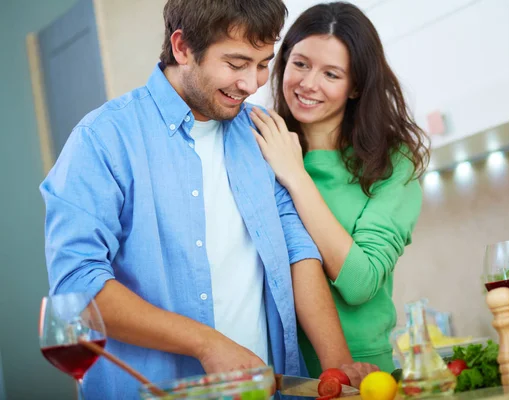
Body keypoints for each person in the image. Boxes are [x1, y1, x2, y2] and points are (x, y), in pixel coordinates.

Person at [40, 1, 374, 398]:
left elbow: (297, 250)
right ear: (182, 48)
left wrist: (338, 367)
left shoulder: (259, 132)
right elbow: (78, 287)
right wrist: (205, 342)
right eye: (236, 64)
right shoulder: (103, 139)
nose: (252, 84)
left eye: (263, 63)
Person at [250, 2, 429, 377]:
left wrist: (296, 176)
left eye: (331, 74)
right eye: (300, 63)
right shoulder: (259, 143)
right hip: (278, 371)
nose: (308, 83)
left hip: (361, 372)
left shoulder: (394, 163)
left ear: (356, 86)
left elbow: (360, 282)